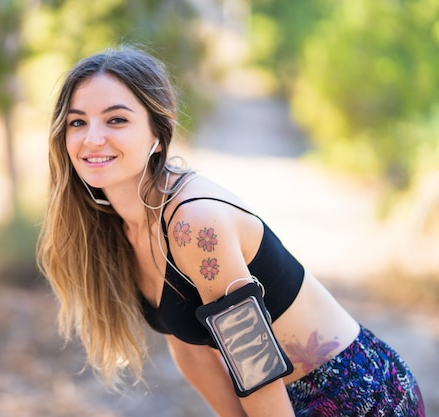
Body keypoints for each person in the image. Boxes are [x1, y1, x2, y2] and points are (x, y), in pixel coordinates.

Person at [36, 45, 426, 416]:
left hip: (353, 393)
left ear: (158, 132)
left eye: (116, 119)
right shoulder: (117, 226)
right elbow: (192, 351)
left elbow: (255, 365)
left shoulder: (194, 223)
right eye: (77, 122)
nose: (92, 137)